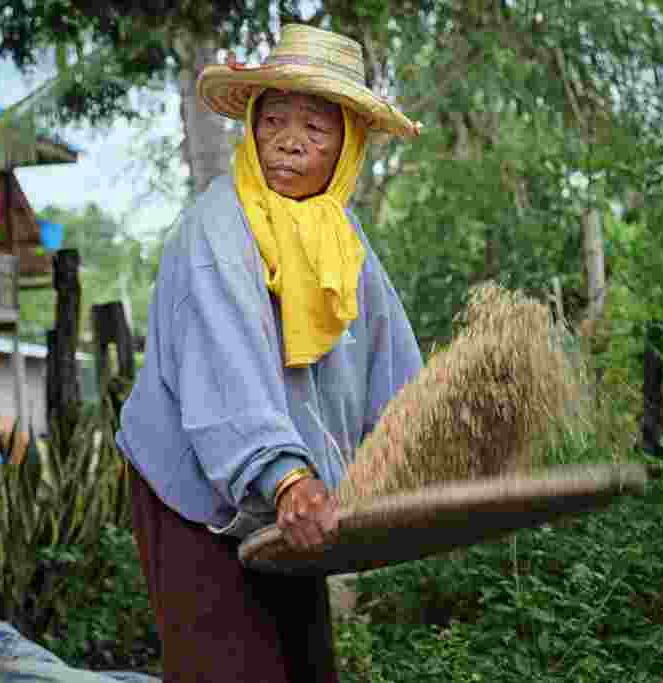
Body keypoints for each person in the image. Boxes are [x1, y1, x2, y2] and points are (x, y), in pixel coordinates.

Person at [116, 23, 422, 683]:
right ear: (250, 129)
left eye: (316, 129)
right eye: (274, 120)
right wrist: (287, 476)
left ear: (348, 145)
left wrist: (422, 439)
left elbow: (391, 361)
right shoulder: (218, 230)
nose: (289, 141)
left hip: (290, 496)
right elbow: (226, 375)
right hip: (195, 488)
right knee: (227, 664)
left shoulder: (341, 238)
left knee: (304, 662)